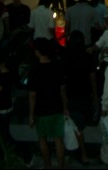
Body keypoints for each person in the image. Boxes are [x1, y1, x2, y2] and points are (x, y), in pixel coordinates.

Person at [28, 37, 68, 170]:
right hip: (56, 107)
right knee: (59, 140)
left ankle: (47, 165)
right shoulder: (57, 66)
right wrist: (65, 107)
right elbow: (62, 89)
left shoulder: (34, 70)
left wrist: (31, 114)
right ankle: (61, 166)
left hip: (41, 108)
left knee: (42, 139)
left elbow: (32, 95)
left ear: (38, 51)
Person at [62, 30, 98, 165]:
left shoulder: (65, 57)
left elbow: (63, 82)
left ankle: (79, 153)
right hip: (85, 95)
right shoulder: (88, 56)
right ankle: (81, 154)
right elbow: (93, 78)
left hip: (71, 96)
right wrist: (95, 96)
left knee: (76, 126)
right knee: (79, 126)